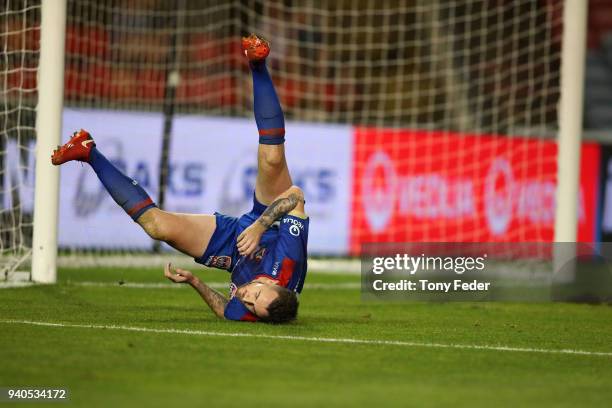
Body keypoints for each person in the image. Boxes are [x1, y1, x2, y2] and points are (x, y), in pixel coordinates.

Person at [51, 34, 308, 323]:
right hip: (268, 220)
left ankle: (87, 150)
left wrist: (195, 282)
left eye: (250, 305)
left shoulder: (253, 311)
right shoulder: (288, 262)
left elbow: (226, 310)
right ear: (275, 285)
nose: (247, 297)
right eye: (256, 295)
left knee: (156, 226)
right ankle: (257, 64)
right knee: (272, 159)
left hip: (232, 248)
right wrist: (260, 226)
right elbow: (296, 196)